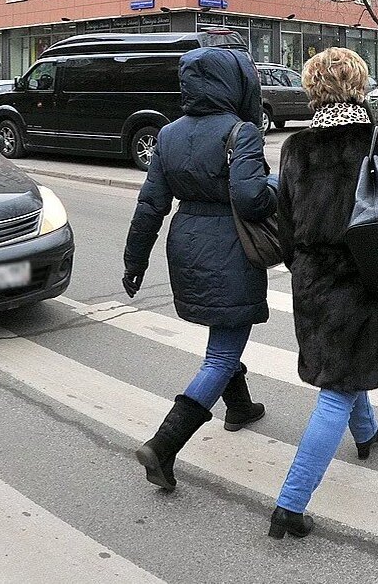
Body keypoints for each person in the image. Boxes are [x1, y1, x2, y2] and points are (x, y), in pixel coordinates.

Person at [269, 47, 378, 538]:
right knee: (338, 388)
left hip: (315, 281)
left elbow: (286, 225)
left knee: (341, 366)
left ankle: (367, 432)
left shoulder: (296, 148)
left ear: (312, 89)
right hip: (370, 277)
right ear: (358, 84)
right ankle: (289, 505)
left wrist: (304, 267)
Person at [123, 47, 277, 491]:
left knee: (223, 330)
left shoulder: (168, 134)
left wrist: (134, 262)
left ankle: (240, 407)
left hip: (186, 242)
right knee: (222, 352)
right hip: (230, 246)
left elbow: (151, 205)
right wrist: (276, 182)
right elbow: (251, 199)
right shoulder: (240, 131)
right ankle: (163, 446)